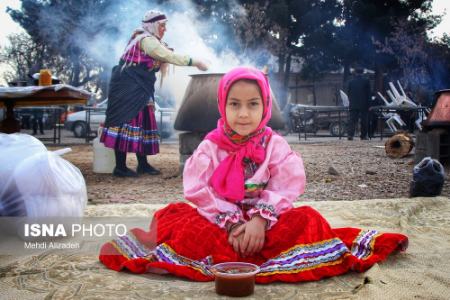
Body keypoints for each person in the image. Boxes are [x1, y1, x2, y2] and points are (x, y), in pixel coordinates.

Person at [99, 67, 408, 283]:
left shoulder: (274, 144)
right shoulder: (210, 146)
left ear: (265, 107)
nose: (243, 114)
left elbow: (287, 184)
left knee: (309, 219)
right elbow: (197, 189)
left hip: (267, 221)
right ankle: (241, 250)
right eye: (234, 104)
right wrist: (233, 224)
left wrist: (259, 221)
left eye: (252, 104)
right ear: (222, 105)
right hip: (222, 221)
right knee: (177, 219)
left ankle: (249, 250)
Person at [101, 10, 208, 177]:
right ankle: (120, 167)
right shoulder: (146, 40)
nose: (165, 29)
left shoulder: (148, 40)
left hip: (140, 86)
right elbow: (167, 56)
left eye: (165, 26)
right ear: (152, 25)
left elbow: (163, 55)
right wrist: (196, 62)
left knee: (142, 122)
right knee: (124, 121)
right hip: (128, 86)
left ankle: (142, 164)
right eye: (162, 25)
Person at [346, 67, 371, 140]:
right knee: (364, 121)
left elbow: (349, 93)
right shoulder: (366, 81)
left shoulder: (351, 82)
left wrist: (351, 102)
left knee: (352, 120)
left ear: (355, 73)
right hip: (364, 104)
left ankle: (350, 135)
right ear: (363, 73)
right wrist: (369, 105)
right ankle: (363, 136)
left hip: (353, 104)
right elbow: (368, 94)